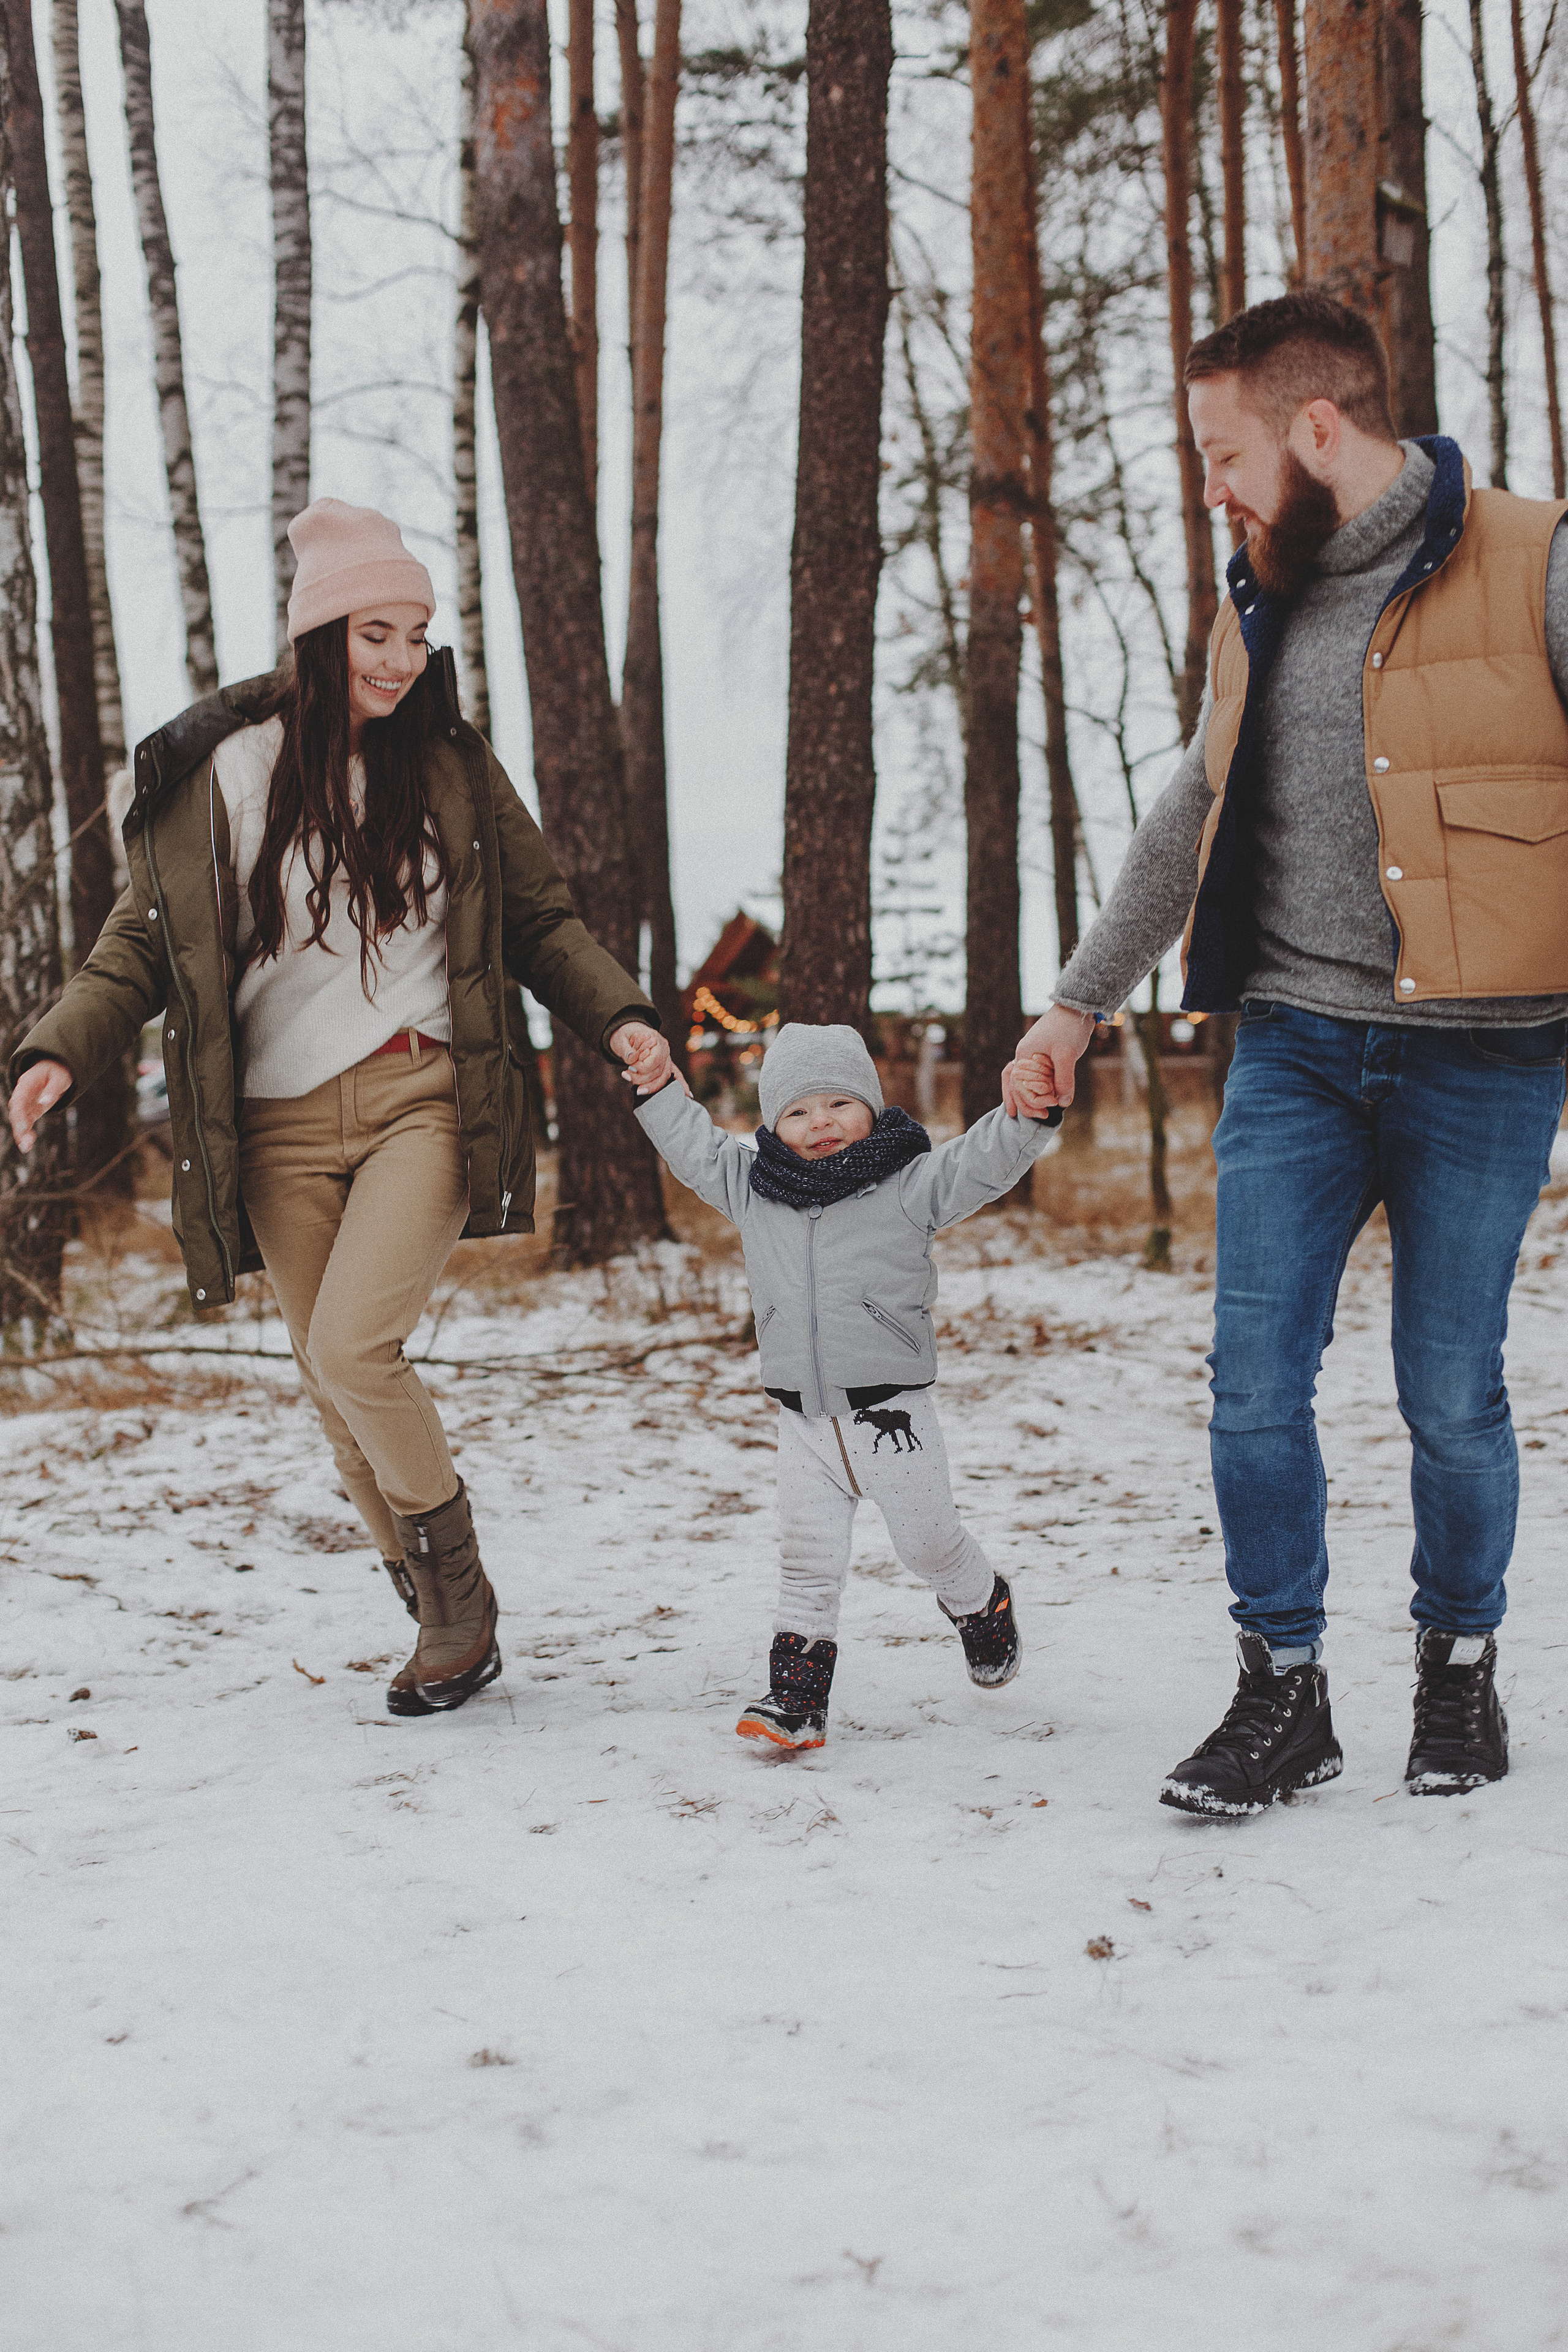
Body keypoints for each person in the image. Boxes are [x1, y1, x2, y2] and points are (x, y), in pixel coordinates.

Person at [1006, 289, 1568, 1813]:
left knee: (1446, 1387)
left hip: (1486, 1054)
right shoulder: (1257, 593)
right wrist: (1074, 999)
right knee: (1249, 1378)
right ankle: (1282, 1686)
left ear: (1316, 428)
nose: (1210, 481)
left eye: (1221, 448)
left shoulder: (1534, 559)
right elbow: (1189, 808)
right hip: (1295, 1046)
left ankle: (1455, 1672)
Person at [6, 497, 671, 1720]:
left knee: (354, 1348)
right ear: (320, 635)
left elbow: (539, 920)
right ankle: (435, 1615)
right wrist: (55, 1052)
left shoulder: (453, 766)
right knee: (328, 1381)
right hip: (275, 1125)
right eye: (377, 631)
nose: (402, 658)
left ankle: (461, 1609)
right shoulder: (218, 772)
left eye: (417, 633)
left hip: (425, 1093)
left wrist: (620, 1017)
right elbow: (135, 953)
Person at [631, 1022, 1059, 1751]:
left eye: (838, 1103)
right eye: (798, 1110)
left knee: (926, 1544)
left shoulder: (908, 1184)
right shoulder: (753, 1188)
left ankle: (981, 1604)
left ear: (870, 1107)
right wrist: (659, 1087)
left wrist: (1024, 1116)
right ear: (772, 1123)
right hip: (802, 1422)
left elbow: (978, 1165)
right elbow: (696, 1149)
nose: (819, 1122)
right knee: (805, 1562)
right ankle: (796, 1702)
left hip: (891, 1411)